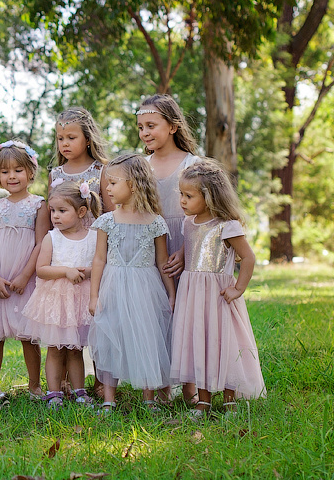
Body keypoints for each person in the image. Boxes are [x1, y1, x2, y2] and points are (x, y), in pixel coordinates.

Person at [170, 158, 266, 418]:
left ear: (209, 196)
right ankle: (203, 401)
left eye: (188, 195)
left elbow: (248, 258)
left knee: (222, 343)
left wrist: (239, 288)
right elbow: (190, 248)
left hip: (218, 296)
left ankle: (230, 400)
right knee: (199, 343)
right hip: (192, 294)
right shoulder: (188, 224)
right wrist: (180, 255)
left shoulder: (227, 225)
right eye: (181, 194)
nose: (182, 200)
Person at [88, 154, 175, 414]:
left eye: (114, 183)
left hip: (145, 288)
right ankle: (109, 398)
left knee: (146, 337)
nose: (108, 189)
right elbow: (99, 260)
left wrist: (170, 293)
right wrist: (94, 295)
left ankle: (149, 398)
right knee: (112, 337)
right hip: (113, 286)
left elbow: (162, 261)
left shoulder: (154, 222)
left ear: (134, 184)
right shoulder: (107, 220)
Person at [0, 140, 50, 404]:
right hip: (0, 275)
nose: (12, 176)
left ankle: (35, 385)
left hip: (25, 277)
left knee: (29, 335)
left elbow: (41, 243)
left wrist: (25, 276)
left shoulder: (39, 205)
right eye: (5, 171)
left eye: (18, 170)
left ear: (30, 172)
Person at [136, 93, 200, 404]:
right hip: (152, 248)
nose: (145, 133)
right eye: (140, 127)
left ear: (173, 126)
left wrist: (187, 250)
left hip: (188, 245)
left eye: (151, 125)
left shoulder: (193, 165)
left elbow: (209, 213)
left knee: (185, 313)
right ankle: (159, 387)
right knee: (158, 312)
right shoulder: (140, 167)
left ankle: (189, 386)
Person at [49, 106, 114, 398]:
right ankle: (62, 381)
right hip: (65, 253)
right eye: (60, 137)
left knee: (96, 318)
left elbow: (112, 213)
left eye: (71, 137)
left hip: (94, 251)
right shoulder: (55, 173)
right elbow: (48, 212)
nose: (64, 143)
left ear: (87, 138)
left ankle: (102, 379)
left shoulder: (102, 171)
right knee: (66, 320)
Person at [20, 181, 100, 409]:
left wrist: (86, 272)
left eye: (62, 211)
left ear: (81, 212)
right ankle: (54, 392)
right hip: (57, 300)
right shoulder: (52, 238)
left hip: (80, 301)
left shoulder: (93, 237)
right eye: (53, 211)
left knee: (76, 350)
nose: (55, 216)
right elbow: (41, 270)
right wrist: (66, 271)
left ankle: (79, 391)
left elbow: (99, 266)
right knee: (55, 349)